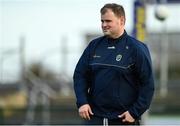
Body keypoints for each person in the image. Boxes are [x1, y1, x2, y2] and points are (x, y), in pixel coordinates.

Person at [73, 3, 154, 125]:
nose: (104, 25)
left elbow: (148, 84)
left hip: (124, 120)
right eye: (102, 21)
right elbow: (80, 75)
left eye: (108, 21)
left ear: (122, 20)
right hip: (94, 118)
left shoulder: (137, 48)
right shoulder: (94, 46)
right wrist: (82, 102)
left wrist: (134, 112)